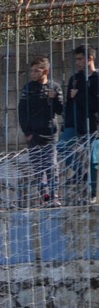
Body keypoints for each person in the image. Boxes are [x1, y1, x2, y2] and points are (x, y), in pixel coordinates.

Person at [18, 56, 64, 205]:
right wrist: (27, 132)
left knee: (52, 166)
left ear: (46, 71)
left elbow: (60, 110)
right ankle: (44, 196)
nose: (33, 74)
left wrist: (54, 98)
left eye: (36, 71)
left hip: (50, 134)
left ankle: (54, 195)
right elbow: (22, 111)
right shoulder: (28, 88)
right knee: (38, 167)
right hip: (34, 134)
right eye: (31, 71)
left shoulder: (55, 87)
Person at [59, 45, 99, 203]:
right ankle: (82, 173)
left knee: (93, 161)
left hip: (93, 126)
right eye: (76, 59)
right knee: (62, 147)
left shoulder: (96, 79)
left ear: (90, 58)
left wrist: (79, 96)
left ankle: (92, 194)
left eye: (80, 59)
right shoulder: (75, 79)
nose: (77, 62)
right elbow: (69, 103)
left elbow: (96, 104)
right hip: (75, 124)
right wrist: (67, 122)